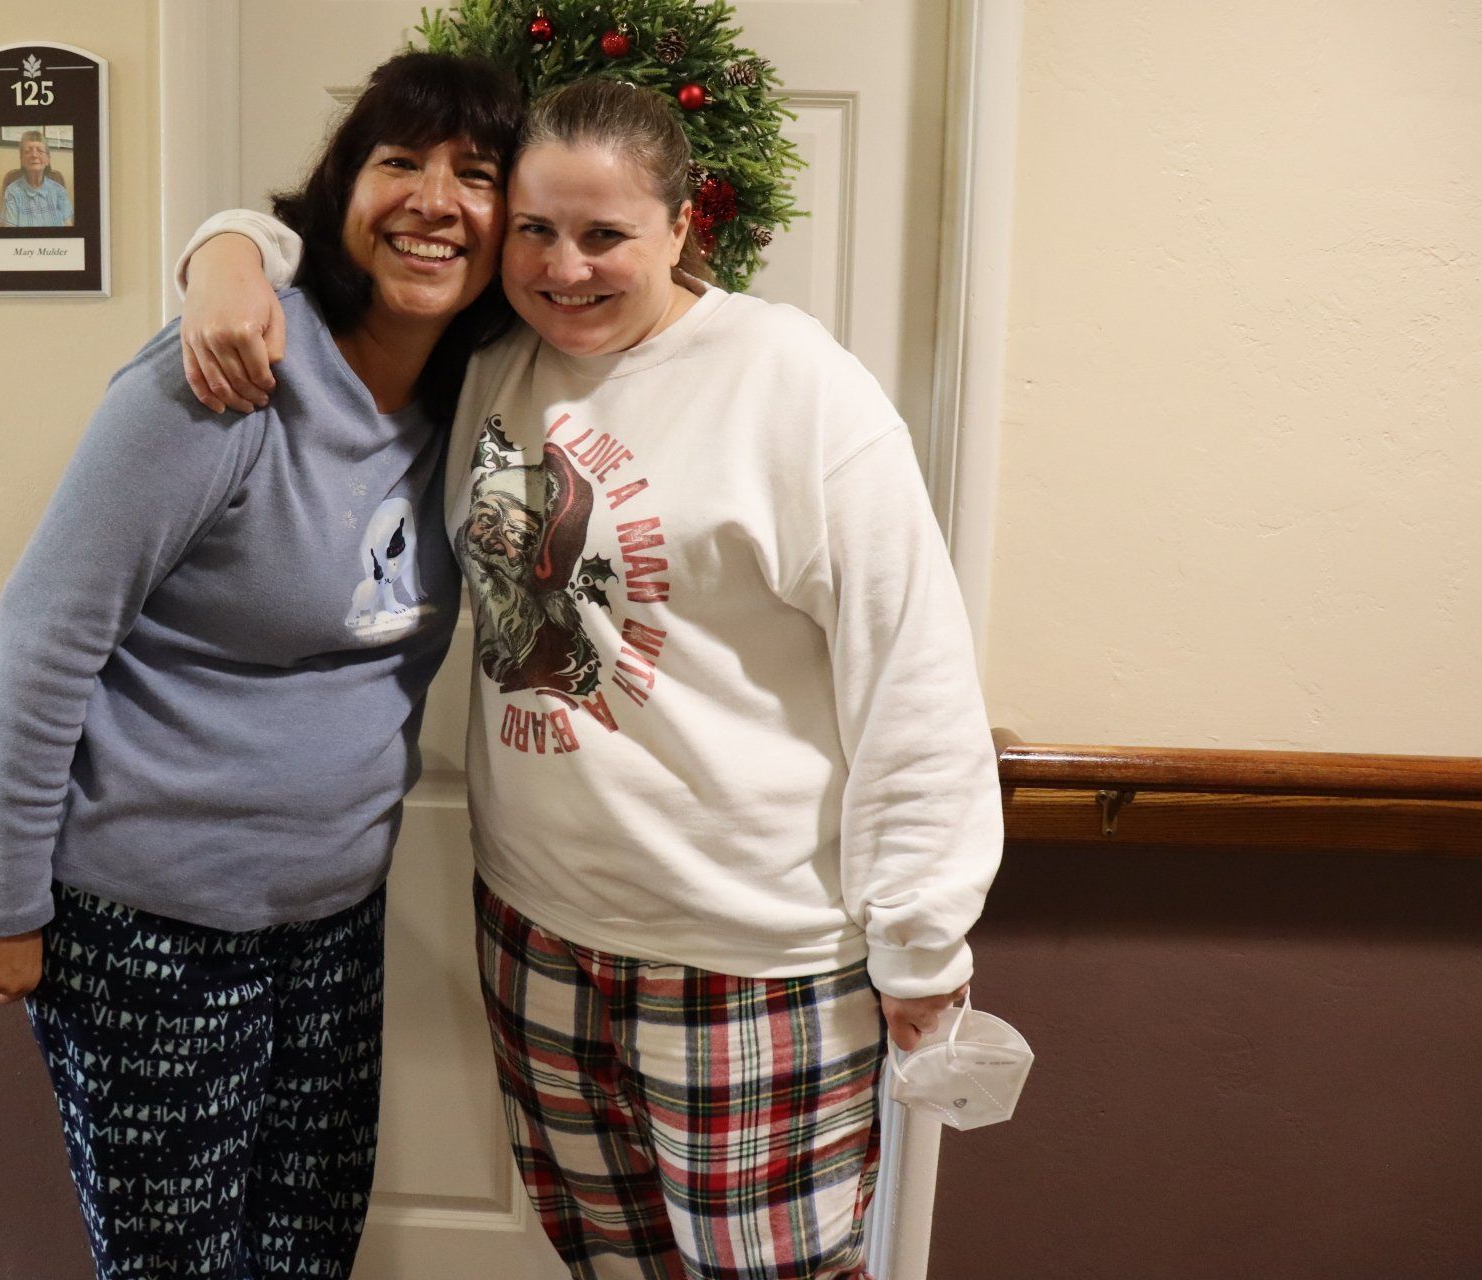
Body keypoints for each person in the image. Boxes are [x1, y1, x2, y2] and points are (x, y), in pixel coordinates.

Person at [177, 78, 1002, 1280]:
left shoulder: (797, 388)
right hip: (537, 936)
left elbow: (913, 681)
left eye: (606, 235)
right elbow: (349, 263)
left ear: (683, 229)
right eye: (536, 231)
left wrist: (925, 943)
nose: (565, 269)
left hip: (751, 965)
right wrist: (224, 249)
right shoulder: (493, 359)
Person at [0, 52, 521, 1280]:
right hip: (150, 925)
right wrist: (1, 909)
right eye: (400, 161)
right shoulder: (225, 374)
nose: (436, 199)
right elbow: (45, 632)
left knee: (308, 1248)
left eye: (476, 176)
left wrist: (226, 239)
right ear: (342, 188)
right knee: (177, 1265)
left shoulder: (470, 402)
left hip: (330, 926)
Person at [0, 130, 75, 227]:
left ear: (48, 160)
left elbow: (68, 227)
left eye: (39, 151)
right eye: (27, 151)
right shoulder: (12, 192)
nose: (34, 155)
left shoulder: (59, 191)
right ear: (21, 160)